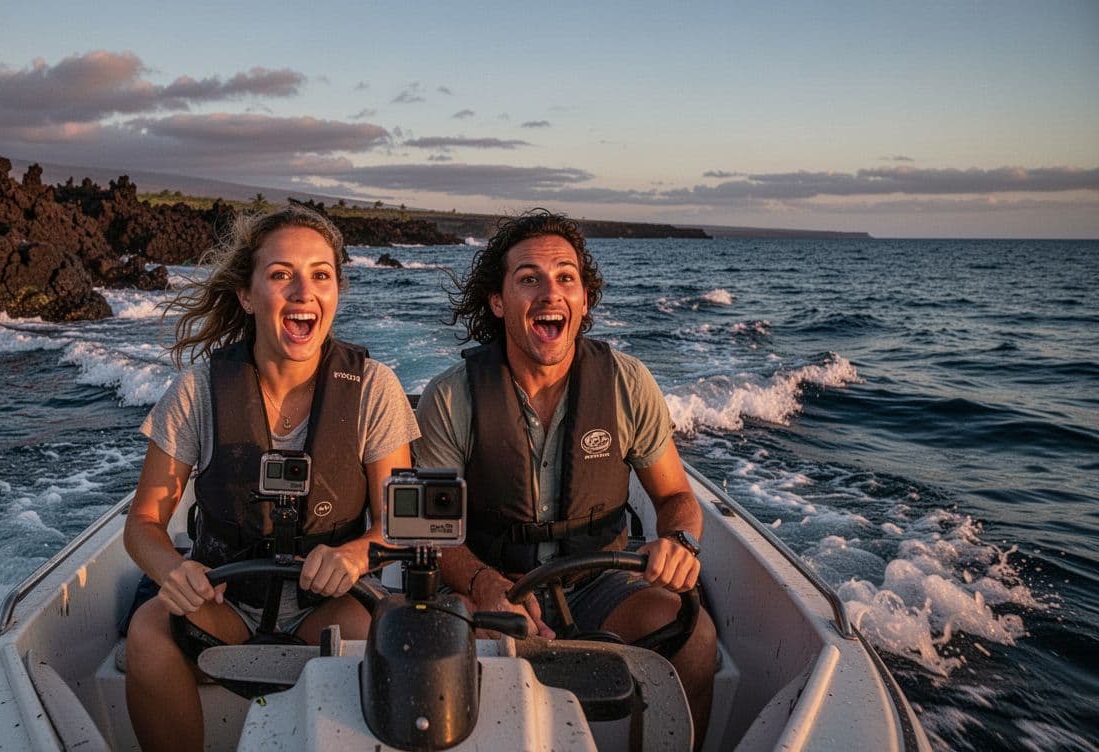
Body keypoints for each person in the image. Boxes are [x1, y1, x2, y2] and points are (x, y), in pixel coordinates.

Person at [123, 205, 418, 752]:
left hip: (327, 604)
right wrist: (172, 569)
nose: (303, 291)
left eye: (321, 275)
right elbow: (142, 522)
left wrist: (355, 555)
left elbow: (398, 525)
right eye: (281, 274)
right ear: (247, 294)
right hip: (224, 599)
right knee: (147, 631)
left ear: (336, 292)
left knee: (379, 638)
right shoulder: (197, 392)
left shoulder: (374, 388)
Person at [414, 208, 717, 737]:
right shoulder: (450, 398)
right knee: (448, 639)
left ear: (583, 300)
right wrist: (485, 583)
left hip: (602, 582)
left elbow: (675, 497)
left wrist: (680, 542)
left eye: (565, 279)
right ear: (498, 301)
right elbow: (430, 535)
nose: (550, 293)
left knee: (694, 636)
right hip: (490, 585)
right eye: (528, 279)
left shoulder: (627, 383)